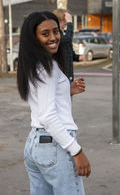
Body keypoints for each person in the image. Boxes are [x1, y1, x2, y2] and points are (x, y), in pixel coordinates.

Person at [17, 11, 91, 195]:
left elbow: (39, 98)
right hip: (56, 146)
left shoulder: (34, 65)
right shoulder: (46, 68)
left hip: (35, 144)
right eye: (45, 34)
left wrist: (66, 90)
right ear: (33, 37)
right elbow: (48, 116)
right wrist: (76, 151)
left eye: (56, 31)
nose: (53, 38)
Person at [53, 9, 84, 82]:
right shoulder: (55, 34)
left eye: (66, 20)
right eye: (64, 20)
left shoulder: (64, 33)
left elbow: (69, 51)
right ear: (58, 21)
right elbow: (66, 40)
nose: (66, 22)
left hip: (68, 75)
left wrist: (78, 57)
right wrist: (70, 23)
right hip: (61, 76)